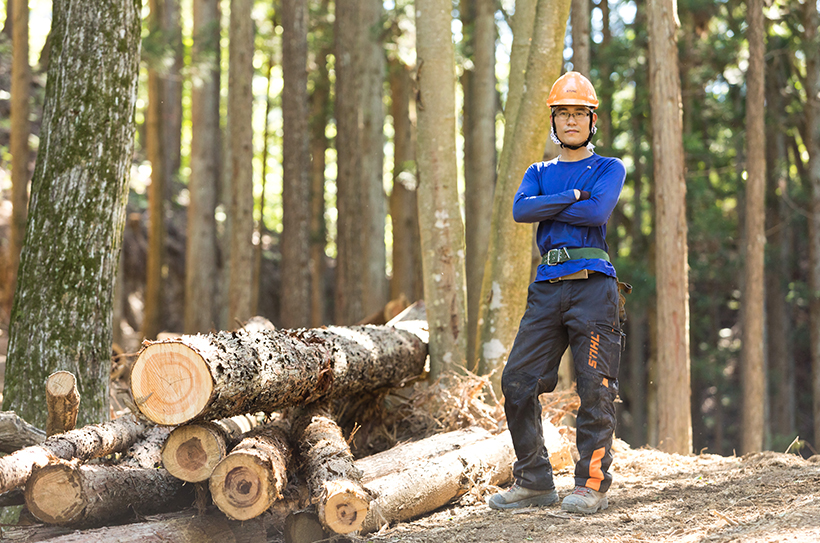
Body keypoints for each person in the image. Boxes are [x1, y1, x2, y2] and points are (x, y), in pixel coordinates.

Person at [488, 71, 626, 514]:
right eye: (563, 113)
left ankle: (590, 483)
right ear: (554, 121)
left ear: (592, 120)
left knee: (595, 386)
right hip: (547, 288)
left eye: (579, 114)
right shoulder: (538, 171)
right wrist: (572, 193)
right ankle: (534, 481)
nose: (571, 121)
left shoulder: (609, 168)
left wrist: (552, 203)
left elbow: (597, 210)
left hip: (594, 288)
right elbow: (519, 210)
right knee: (517, 382)